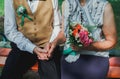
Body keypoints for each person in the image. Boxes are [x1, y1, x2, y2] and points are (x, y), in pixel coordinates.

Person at [0, 0, 65, 79]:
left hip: (47, 46)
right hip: (22, 45)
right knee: (8, 75)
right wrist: (32, 48)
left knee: (52, 76)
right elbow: (10, 31)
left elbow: (57, 26)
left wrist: (50, 45)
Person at [61, 0, 117, 79]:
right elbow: (63, 34)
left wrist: (87, 46)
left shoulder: (104, 6)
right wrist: (52, 44)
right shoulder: (67, 3)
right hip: (69, 58)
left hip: (95, 61)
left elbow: (111, 41)